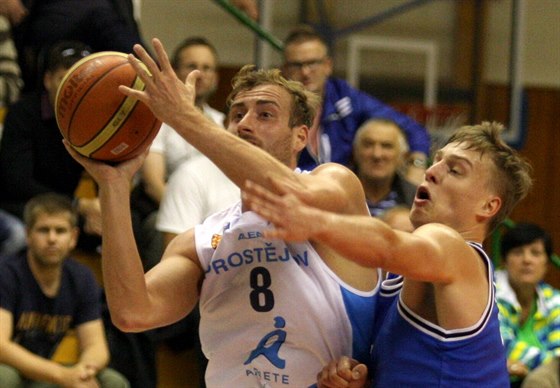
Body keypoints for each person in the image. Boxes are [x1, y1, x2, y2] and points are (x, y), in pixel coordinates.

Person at [64, 38, 381, 387]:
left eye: (265, 114)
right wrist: (114, 185)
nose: (245, 123)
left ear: (300, 137)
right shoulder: (203, 240)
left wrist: (184, 119)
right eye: (237, 114)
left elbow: (289, 194)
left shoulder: (335, 185)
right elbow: (132, 312)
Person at [242, 121, 534, 387]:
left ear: (488, 206)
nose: (431, 171)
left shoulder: (455, 249)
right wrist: (359, 377)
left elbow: (388, 245)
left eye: (455, 170)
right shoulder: (403, 276)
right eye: (437, 161)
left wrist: (315, 221)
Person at [0, 192, 128, 387]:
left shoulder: (81, 278)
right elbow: (1, 347)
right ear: (27, 235)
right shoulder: (7, 273)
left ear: (73, 237)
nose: (52, 239)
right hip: (12, 367)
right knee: (4, 377)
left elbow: (96, 345)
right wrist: (61, 375)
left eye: (60, 231)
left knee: (112, 381)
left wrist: (84, 372)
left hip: (48, 370)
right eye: (43, 230)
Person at [281, 25, 431, 184]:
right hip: (292, 188)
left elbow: (414, 130)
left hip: (342, 192)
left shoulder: (346, 98)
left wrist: (417, 164)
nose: (305, 72)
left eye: (313, 63)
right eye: (296, 65)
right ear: (284, 69)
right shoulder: (276, 106)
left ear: (327, 65)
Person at [132, 36, 226, 270]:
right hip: (165, 208)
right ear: (173, 71)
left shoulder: (223, 122)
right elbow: (153, 183)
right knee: (162, 226)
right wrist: (193, 217)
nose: (200, 74)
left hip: (212, 211)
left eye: (207, 68)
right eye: (192, 66)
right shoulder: (156, 119)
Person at [0, 40, 102, 252]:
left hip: (65, 208)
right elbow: (17, 183)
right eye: (65, 80)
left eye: (81, 81)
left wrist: (103, 207)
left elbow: (108, 167)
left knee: (121, 227)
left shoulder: (95, 118)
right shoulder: (23, 114)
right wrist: (78, 204)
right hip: (19, 204)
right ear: (48, 80)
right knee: (19, 235)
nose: (73, 90)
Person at [10, 0, 145, 92]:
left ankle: (153, 76)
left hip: (105, 13)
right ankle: (154, 75)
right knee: (101, 18)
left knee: (107, 21)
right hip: (48, 13)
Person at [495, 222, 560, 388]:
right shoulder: (490, 293)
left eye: (536, 253)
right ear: (504, 261)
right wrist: (549, 365)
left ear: (546, 263)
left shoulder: (553, 299)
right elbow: (501, 344)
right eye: (517, 253)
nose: (527, 260)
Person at [352, 118, 417, 217]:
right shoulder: (337, 193)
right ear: (355, 152)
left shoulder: (416, 199)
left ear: (402, 156)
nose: (377, 155)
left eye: (386, 146)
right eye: (368, 145)